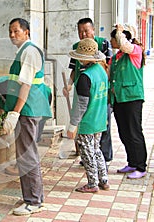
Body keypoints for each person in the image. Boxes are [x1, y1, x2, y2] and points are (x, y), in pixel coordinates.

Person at [0, 18, 52, 216]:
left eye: (17, 31)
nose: (13, 35)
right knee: (25, 155)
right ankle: (32, 196)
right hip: (27, 109)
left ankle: (34, 201)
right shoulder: (23, 51)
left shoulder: (29, 52)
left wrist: (15, 112)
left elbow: (26, 85)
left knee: (27, 155)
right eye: (10, 31)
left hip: (28, 109)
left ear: (27, 32)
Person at [0, 75, 52, 176]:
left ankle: (27, 169)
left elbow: (21, 97)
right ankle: (26, 166)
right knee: (26, 136)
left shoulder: (2, 85)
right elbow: (2, 109)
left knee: (27, 136)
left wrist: (15, 114)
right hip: (35, 101)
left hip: (37, 100)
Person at [64, 17, 113, 166]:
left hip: (98, 91)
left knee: (101, 125)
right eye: (80, 32)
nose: (83, 34)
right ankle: (88, 156)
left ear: (93, 29)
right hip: (83, 89)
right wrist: (69, 85)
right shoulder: (77, 46)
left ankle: (103, 158)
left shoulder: (103, 44)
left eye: (86, 31)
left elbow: (108, 66)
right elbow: (73, 69)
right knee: (84, 123)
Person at [67, 38, 110, 193]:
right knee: (96, 149)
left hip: (88, 122)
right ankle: (103, 179)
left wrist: (73, 125)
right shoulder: (102, 72)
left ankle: (92, 183)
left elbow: (81, 105)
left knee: (87, 153)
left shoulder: (85, 77)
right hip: (100, 119)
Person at [109, 24, 147, 179]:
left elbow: (125, 46)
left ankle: (140, 166)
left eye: (113, 38)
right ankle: (132, 162)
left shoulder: (135, 52)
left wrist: (120, 31)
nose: (111, 41)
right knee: (124, 133)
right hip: (119, 99)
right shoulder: (115, 58)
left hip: (132, 98)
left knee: (134, 132)